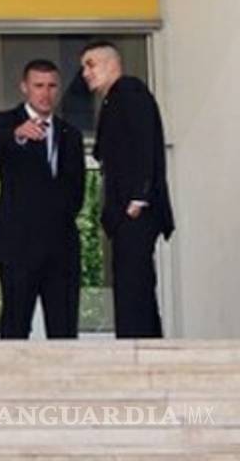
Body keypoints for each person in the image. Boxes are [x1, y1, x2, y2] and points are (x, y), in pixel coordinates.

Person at [0, 59, 86, 339]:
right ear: (24, 87)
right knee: (15, 326)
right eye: (38, 86)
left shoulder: (70, 135)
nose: (45, 93)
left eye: (52, 86)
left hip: (61, 247)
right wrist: (18, 134)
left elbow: (77, 190)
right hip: (18, 245)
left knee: (64, 329)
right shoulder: (3, 122)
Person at [80, 41, 174, 338]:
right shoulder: (114, 101)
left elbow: (145, 144)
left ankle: (140, 346)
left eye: (90, 64)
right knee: (133, 286)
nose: (85, 73)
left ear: (112, 64)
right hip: (126, 213)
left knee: (134, 286)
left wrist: (139, 197)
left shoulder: (130, 92)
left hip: (135, 211)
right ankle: (144, 345)